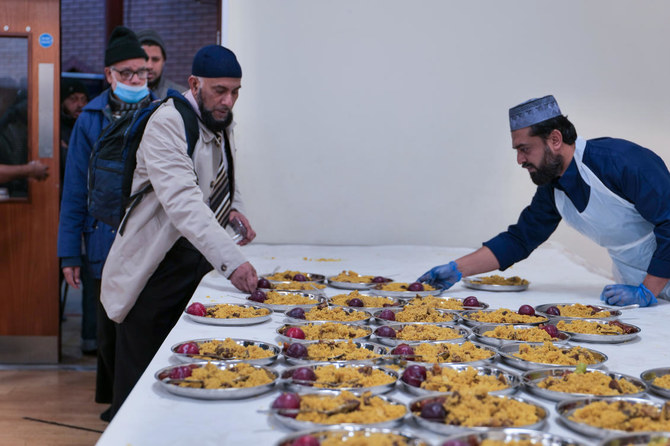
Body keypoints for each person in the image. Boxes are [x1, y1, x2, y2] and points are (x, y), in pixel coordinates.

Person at [100, 44, 258, 418]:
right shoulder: (169, 122)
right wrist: (233, 261)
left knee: (182, 373)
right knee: (142, 387)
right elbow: (184, 202)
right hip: (154, 269)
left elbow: (226, 175)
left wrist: (234, 208)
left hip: (193, 261)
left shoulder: (219, 120)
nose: (228, 100)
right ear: (194, 83)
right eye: (219, 90)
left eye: (235, 92)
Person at [418, 95, 670, 308]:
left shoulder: (622, 161)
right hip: (635, 284)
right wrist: (457, 269)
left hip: (652, 282)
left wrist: (648, 289)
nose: (519, 160)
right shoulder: (554, 186)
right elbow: (520, 239)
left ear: (555, 140)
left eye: (525, 148)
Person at [57, 26, 156, 421]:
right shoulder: (90, 118)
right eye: (127, 72)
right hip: (102, 237)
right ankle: (117, 402)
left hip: (147, 237)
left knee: (142, 324)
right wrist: (69, 251)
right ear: (109, 74)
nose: (136, 80)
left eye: (142, 72)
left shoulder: (162, 111)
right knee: (109, 327)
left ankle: (140, 403)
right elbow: (75, 191)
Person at [136, 29, 187, 99]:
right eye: (145, 59)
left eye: (155, 59)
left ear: (164, 60)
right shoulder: (121, 95)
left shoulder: (180, 95)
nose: (149, 66)